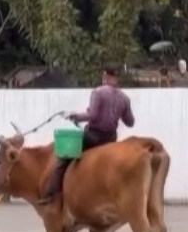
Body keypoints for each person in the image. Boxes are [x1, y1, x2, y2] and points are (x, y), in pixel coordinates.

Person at [37, 66, 135, 205]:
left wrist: (74, 116)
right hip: (111, 139)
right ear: (117, 78)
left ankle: (51, 193)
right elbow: (130, 122)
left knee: (63, 159)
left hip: (94, 137)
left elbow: (92, 115)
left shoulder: (98, 92)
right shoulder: (125, 98)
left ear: (105, 76)